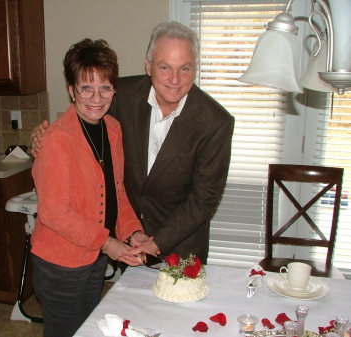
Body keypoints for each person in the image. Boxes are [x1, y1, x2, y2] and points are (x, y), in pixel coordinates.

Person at [31, 22, 234, 265]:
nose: (174, 79)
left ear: (195, 70)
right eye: (165, 66)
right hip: (126, 240)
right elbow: (83, 110)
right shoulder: (121, 95)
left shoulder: (216, 122)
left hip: (179, 245)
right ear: (149, 66)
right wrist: (44, 135)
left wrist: (156, 243)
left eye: (185, 68)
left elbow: (204, 198)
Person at [31, 38, 152, 337]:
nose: (96, 98)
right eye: (86, 88)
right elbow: (54, 212)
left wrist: (132, 233)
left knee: (87, 330)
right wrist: (109, 243)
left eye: (105, 88)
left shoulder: (112, 128)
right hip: (60, 264)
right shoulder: (57, 139)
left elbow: (117, 191)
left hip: (94, 257)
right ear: (72, 90)